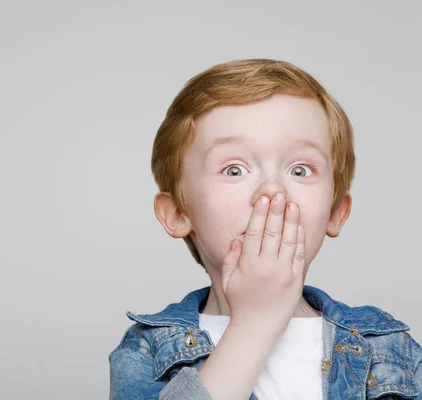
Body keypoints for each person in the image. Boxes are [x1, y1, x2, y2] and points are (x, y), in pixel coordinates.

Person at [108, 59, 422, 400]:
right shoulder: (147, 350)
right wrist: (255, 324)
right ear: (178, 213)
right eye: (233, 169)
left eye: (300, 170)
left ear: (335, 212)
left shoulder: (389, 348)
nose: (273, 191)